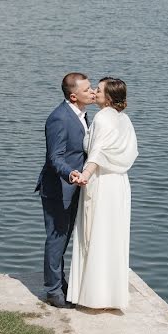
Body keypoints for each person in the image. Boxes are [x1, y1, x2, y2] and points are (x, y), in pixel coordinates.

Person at [67, 77, 138, 310]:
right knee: (113, 236)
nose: (94, 92)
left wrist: (85, 174)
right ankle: (112, 296)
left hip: (102, 181)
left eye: (99, 89)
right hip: (120, 183)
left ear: (108, 97)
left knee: (95, 233)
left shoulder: (102, 117)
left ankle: (94, 295)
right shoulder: (124, 120)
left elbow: (97, 152)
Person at [35, 72, 95, 308]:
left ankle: (60, 283)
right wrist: (70, 174)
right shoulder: (59, 118)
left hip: (74, 187)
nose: (92, 92)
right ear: (73, 96)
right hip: (58, 188)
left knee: (65, 238)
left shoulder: (81, 114)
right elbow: (55, 158)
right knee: (56, 238)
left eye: (92, 88)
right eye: (87, 90)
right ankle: (53, 292)